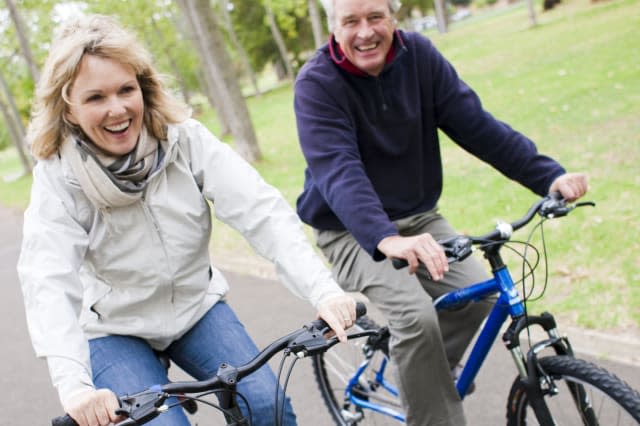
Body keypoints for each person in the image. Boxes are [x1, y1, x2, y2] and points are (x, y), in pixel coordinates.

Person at [17, 14, 357, 426]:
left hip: (195, 310)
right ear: (68, 108)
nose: (117, 109)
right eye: (95, 98)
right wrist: (75, 386)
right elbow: (48, 281)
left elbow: (261, 212)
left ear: (143, 87)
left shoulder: (183, 139)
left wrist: (324, 291)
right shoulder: (59, 177)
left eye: (126, 90)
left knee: (267, 406)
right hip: (113, 330)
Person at [293, 0, 589, 425]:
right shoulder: (317, 83)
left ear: (393, 17)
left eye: (375, 17)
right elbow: (339, 171)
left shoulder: (421, 58)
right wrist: (385, 237)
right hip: (350, 231)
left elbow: (478, 127)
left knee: (480, 295)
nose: (365, 32)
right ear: (333, 29)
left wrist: (549, 177)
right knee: (415, 320)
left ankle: (425, 376)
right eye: (351, 21)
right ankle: (431, 405)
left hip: (420, 218)